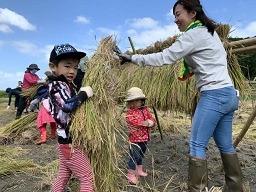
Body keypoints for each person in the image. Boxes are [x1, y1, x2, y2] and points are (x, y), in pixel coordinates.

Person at [118, 0, 243, 191]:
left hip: (214, 95)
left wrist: (132, 57)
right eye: (174, 16)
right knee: (225, 144)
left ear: (192, 13)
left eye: (178, 14)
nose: (176, 19)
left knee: (196, 145)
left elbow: (164, 57)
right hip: (229, 94)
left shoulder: (193, 34)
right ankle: (235, 188)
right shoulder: (210, 32)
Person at [47, 43, 94, 192]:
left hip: (65, 142)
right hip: (69, 142)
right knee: (88, 177)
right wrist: (84, 94)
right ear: (53, 66)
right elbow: (67, 106)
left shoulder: (67, 85)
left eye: (75, 67)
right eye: (67, 66)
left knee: (63, 175)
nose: (72, 71)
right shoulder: (56, 86)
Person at [125, 87, 155, 184]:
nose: (138, 102)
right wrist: (145, 123)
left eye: (139, 100)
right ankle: (130, 174)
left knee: (141, 155)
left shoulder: (145, 110)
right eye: (135, 100)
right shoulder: (130, 112)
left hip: (144, 138)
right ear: (131, 102)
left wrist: (152, 122)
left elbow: (151, 118)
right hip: (135, 139)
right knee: (134, 156)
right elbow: (134, 121)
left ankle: (139, 170)